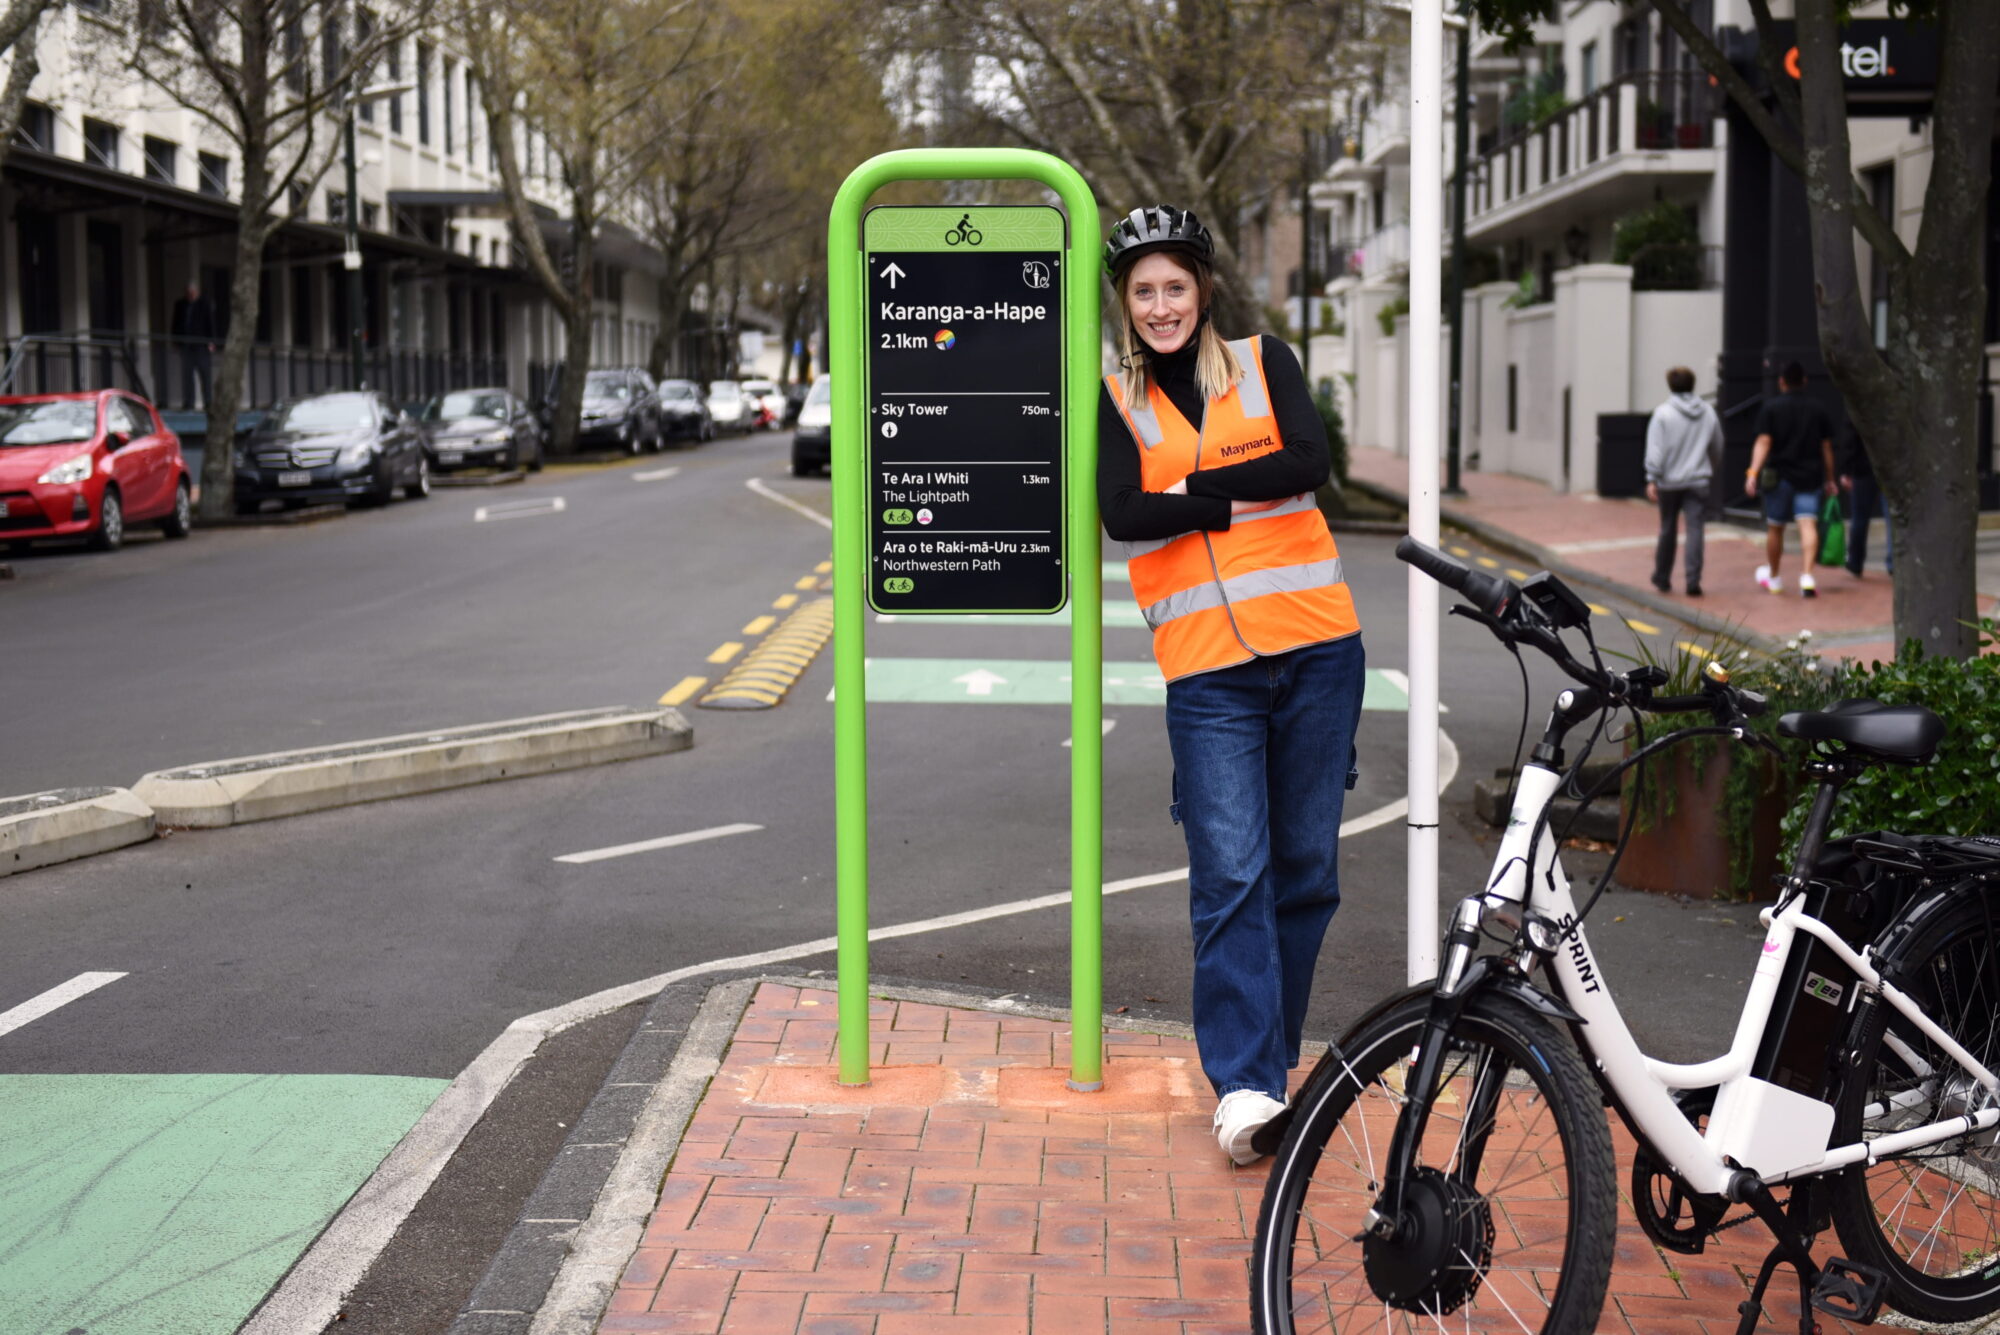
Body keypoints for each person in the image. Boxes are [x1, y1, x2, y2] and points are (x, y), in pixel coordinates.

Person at [1097, 204, 1365, 1165]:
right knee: (1230, 873)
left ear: (1202, 290)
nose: (1162, 305)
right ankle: (1245, 1085)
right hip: (1208, 667)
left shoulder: (1266, 361)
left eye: (1175, 286)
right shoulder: (1114, 396)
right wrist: (1245, 489)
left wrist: (1190, 498)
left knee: (1305, 870)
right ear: (1124, 304)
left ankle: (1272, 1064)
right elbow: (1122, 513)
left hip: (1318, 648)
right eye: (1144, 291)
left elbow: (1313, 463)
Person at [1745, 361, 1837, 597]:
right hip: (1810, 477)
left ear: (1781, 382)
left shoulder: (1771, 409)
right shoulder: (1818, 409)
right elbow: (1826, 448)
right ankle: (1807, 575)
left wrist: (1753, 472)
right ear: (1804, 381)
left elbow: (1764, 442)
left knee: (1776, 527)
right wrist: (1830, 478)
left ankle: (1774, 577)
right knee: (1808, 524)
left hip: (1780, 478)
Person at [1643, 366, 1722, 597]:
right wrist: (1709, 468)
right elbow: (1717, 445)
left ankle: (1662, 577)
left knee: (1668, 527)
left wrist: (1652, 478)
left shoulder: (1662, 413)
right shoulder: (1708, 412)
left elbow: (1655, 450)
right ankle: (1693, 580)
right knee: (1696, 529)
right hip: (1698, 480)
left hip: (1669, 481)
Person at [1838, 419, 1891, 577]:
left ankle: (1855, 561)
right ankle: (1893, 562)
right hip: (1887, 468)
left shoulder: (1859, 407)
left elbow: (1850, 440)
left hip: (1863, 468)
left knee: (1860, 518)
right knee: (1890, 518)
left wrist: (1846, 470)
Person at [170, 282, 217, 411]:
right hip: (186, 345)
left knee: (205, 375)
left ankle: (208, 402)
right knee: (187, 375)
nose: (190, 295)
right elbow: (175, 323)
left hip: (201, 345)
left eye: (193, 293)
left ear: (197, 293)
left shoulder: (204, 304)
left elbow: (210, 323)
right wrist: (175, 341)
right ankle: (188, 402)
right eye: (188, 293)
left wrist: (211, 341)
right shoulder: (180, 305)